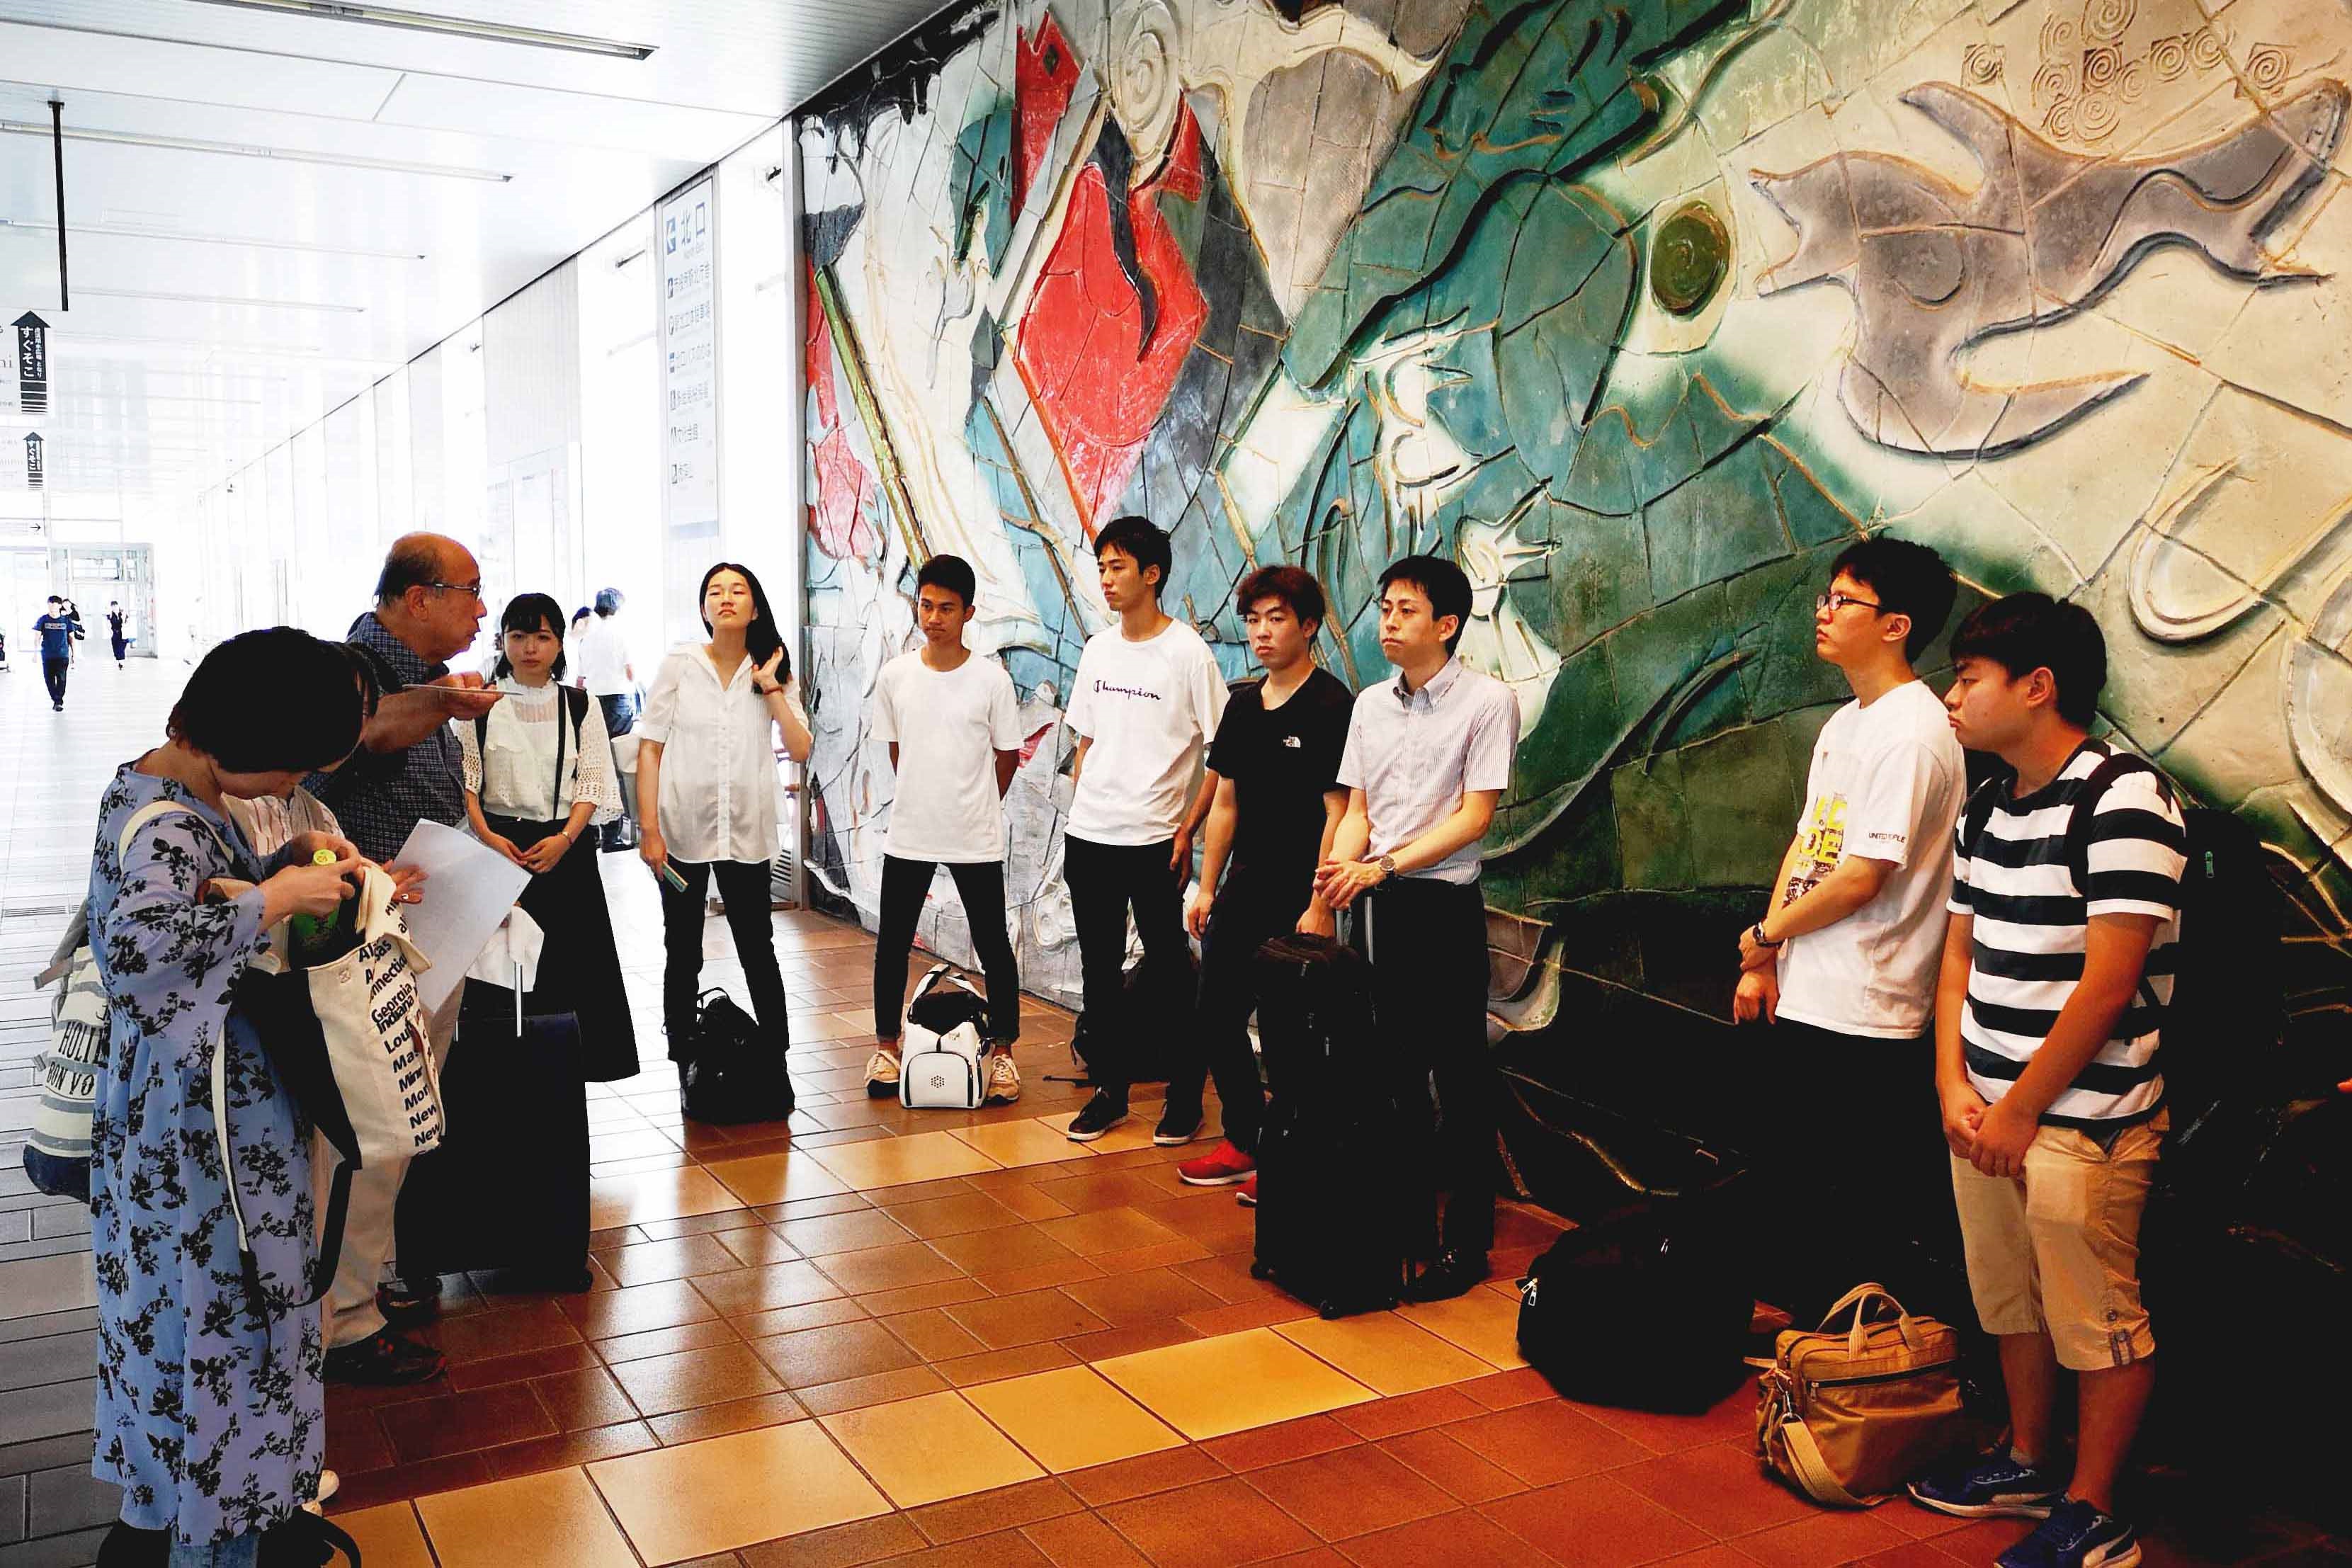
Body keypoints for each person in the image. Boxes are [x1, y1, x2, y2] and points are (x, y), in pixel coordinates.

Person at [86, 627, 376, 1565]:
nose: (288, 780)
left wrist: (283, 858)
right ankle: (220, 1530)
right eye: (286, 764)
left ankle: (190, 1507)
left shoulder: (160, 787)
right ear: (238, 736)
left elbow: (191, 905)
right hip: (204, 1131)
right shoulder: (170, 822)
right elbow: (141, 950)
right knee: (229, 1314)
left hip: (185, 1113)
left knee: (182, 1317)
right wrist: (277, 897)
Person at [1908, 593, 2186, 1568]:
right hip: (1983, 1112)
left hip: (2085, 1119)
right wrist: (1952, 1085)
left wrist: (2022, 1110)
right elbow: (1957, 959)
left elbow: (2109, 983)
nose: (1951, 698)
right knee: (2010, 1299)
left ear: (2038, 686)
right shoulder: (1987, 805)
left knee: (2098, 1318)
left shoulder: (2124, 798)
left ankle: (2095, 1508)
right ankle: (2027, 1459)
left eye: (1967, 679)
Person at [1733, 538, 1965, 1318]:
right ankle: (1811, 1342)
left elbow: (1866, 876)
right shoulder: (1848, 722)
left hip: (1870, 1002)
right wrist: (1766, 956)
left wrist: (1768, 936)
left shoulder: (1914, 731)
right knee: (1799, 1186)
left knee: (1856, 1199)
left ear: (1896, 625)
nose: (1823, 612)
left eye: (1843, 600)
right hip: (1811, 985)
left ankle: (1851, 1353)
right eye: (1826, 597)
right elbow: (1810, 845)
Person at [300, 532, 499, 1385]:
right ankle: (343, 1319)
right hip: (367, 947)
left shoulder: (430, 685)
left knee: (404, 1119)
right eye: (470, 590)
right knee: (370, 1129)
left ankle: (364, 1284)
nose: (482, 610)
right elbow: (371, 734)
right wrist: (444, 704)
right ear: (419, 598)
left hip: (426, 932)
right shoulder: (355, 674)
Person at [1314, 555, 1519, 1302]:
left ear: (1447, 624)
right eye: (1385, 608)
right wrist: (1338, 872)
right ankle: (1404, 1227)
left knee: (1459, 1077)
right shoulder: (1371, 705)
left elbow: (1474, 818)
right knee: (1388, 1073)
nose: (1389, 623)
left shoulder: (1488, 701)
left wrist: (1382, 866)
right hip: (1377, 904)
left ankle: (1467, 1243)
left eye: (1406, 610)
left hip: (1441, 907)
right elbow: (1358, 811)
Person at [1174, 566, 1352, 1197]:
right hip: (1244, 884)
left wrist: (1320, 903)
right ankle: (1244, 1138)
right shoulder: (1243, 705)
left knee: (1285, 1033)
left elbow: (1338, 812)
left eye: (1276, 619)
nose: (1261, 632)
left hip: (1300, 892)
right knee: (1214, 1014)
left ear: (1309, 626)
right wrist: (1206, 887)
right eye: (1253, 620)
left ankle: (1289, 1153)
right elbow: (1224, 802)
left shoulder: (1332, 706)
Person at [1060, 516, 1229, 1143]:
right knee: (1098, 973)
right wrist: (1086, 801)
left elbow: (1223, 754)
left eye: (1118, 567)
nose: (1106, 579)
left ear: (1151, 574)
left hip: (1156, 840)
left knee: (1170, 974)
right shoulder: (1098, 649)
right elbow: (1086, 739)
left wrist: (1188, 827)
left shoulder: (1187, 653)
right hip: (1090, 836)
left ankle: (1184, 1099)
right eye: (1101, 567)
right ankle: (1109, 1092)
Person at [638, 562, 814, 1098]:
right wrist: (649, 829)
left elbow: (800, 748)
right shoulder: (680, 665)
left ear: (755, 607)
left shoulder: (771, 668)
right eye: (715, 592)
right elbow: (650, 749)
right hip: (681, 829)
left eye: (738, 590)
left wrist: (771, 688)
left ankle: (776, 1061)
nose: (726, 598)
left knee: (757, 947)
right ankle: (685, 1062)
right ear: (704, 608)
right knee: (682, 949)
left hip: (745, 830)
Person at [864, 555, 1026, 1102]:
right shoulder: (895, 677)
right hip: (909, 832)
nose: (933, 618)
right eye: (926, 606)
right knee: (892, 943)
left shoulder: (991, 681)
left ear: (968, 613)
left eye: (947, 609)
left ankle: (1003, 1055)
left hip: (974, 835)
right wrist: (925, 794)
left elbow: (1007, 756)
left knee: (993, 945)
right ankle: (886, 1048)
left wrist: (975, 804)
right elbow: (897, 751)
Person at [457, 593, 638, 1081]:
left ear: (560, 643)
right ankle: (509, 1074)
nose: (530, 648)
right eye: (518, 636)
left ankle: (569, 1073)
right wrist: (488, 837)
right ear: (503, 641)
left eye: (542, 637)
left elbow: (593, 780)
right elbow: (467, 782)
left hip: (566, 849)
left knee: (573, 964)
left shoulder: (579, 704)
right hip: (500, 849)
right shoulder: (480, 705)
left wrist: (566, 838)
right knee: (502, 969)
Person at [575, 588, 640, 851]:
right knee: (618, 766)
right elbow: (631, 672)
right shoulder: (621, 633)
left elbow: (580, 680)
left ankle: (593, 831)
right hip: (619, 701)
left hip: (592, 701)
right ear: (618, 608)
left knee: (594, 765)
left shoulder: (587, 637)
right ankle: (613, 835)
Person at [35, 594, 82, 710]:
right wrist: (35, 653)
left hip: (62, 655)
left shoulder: (66, 621)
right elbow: (37, 637)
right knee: (49, 679)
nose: (52, 608)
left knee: (61, 678)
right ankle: (56, 699)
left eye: (55, 605)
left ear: (60, 606)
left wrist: (74, 654)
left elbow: (72, 638)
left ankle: (58, 701)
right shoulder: (43, 620)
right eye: (50, 605)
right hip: (47, 655)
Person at [108, 600, 130, 667]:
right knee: (116, 649)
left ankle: (121, 662)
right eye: (112, 606)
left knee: (121, 648)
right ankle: (120, 661)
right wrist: (111, 632)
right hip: (115, 633)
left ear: (118, 606)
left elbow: (127, 621)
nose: (114, 607)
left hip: (123, 633)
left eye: (115, 606)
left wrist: (125, 624)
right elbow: (108, 625)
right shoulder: (110, 615)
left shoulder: (123, 613)